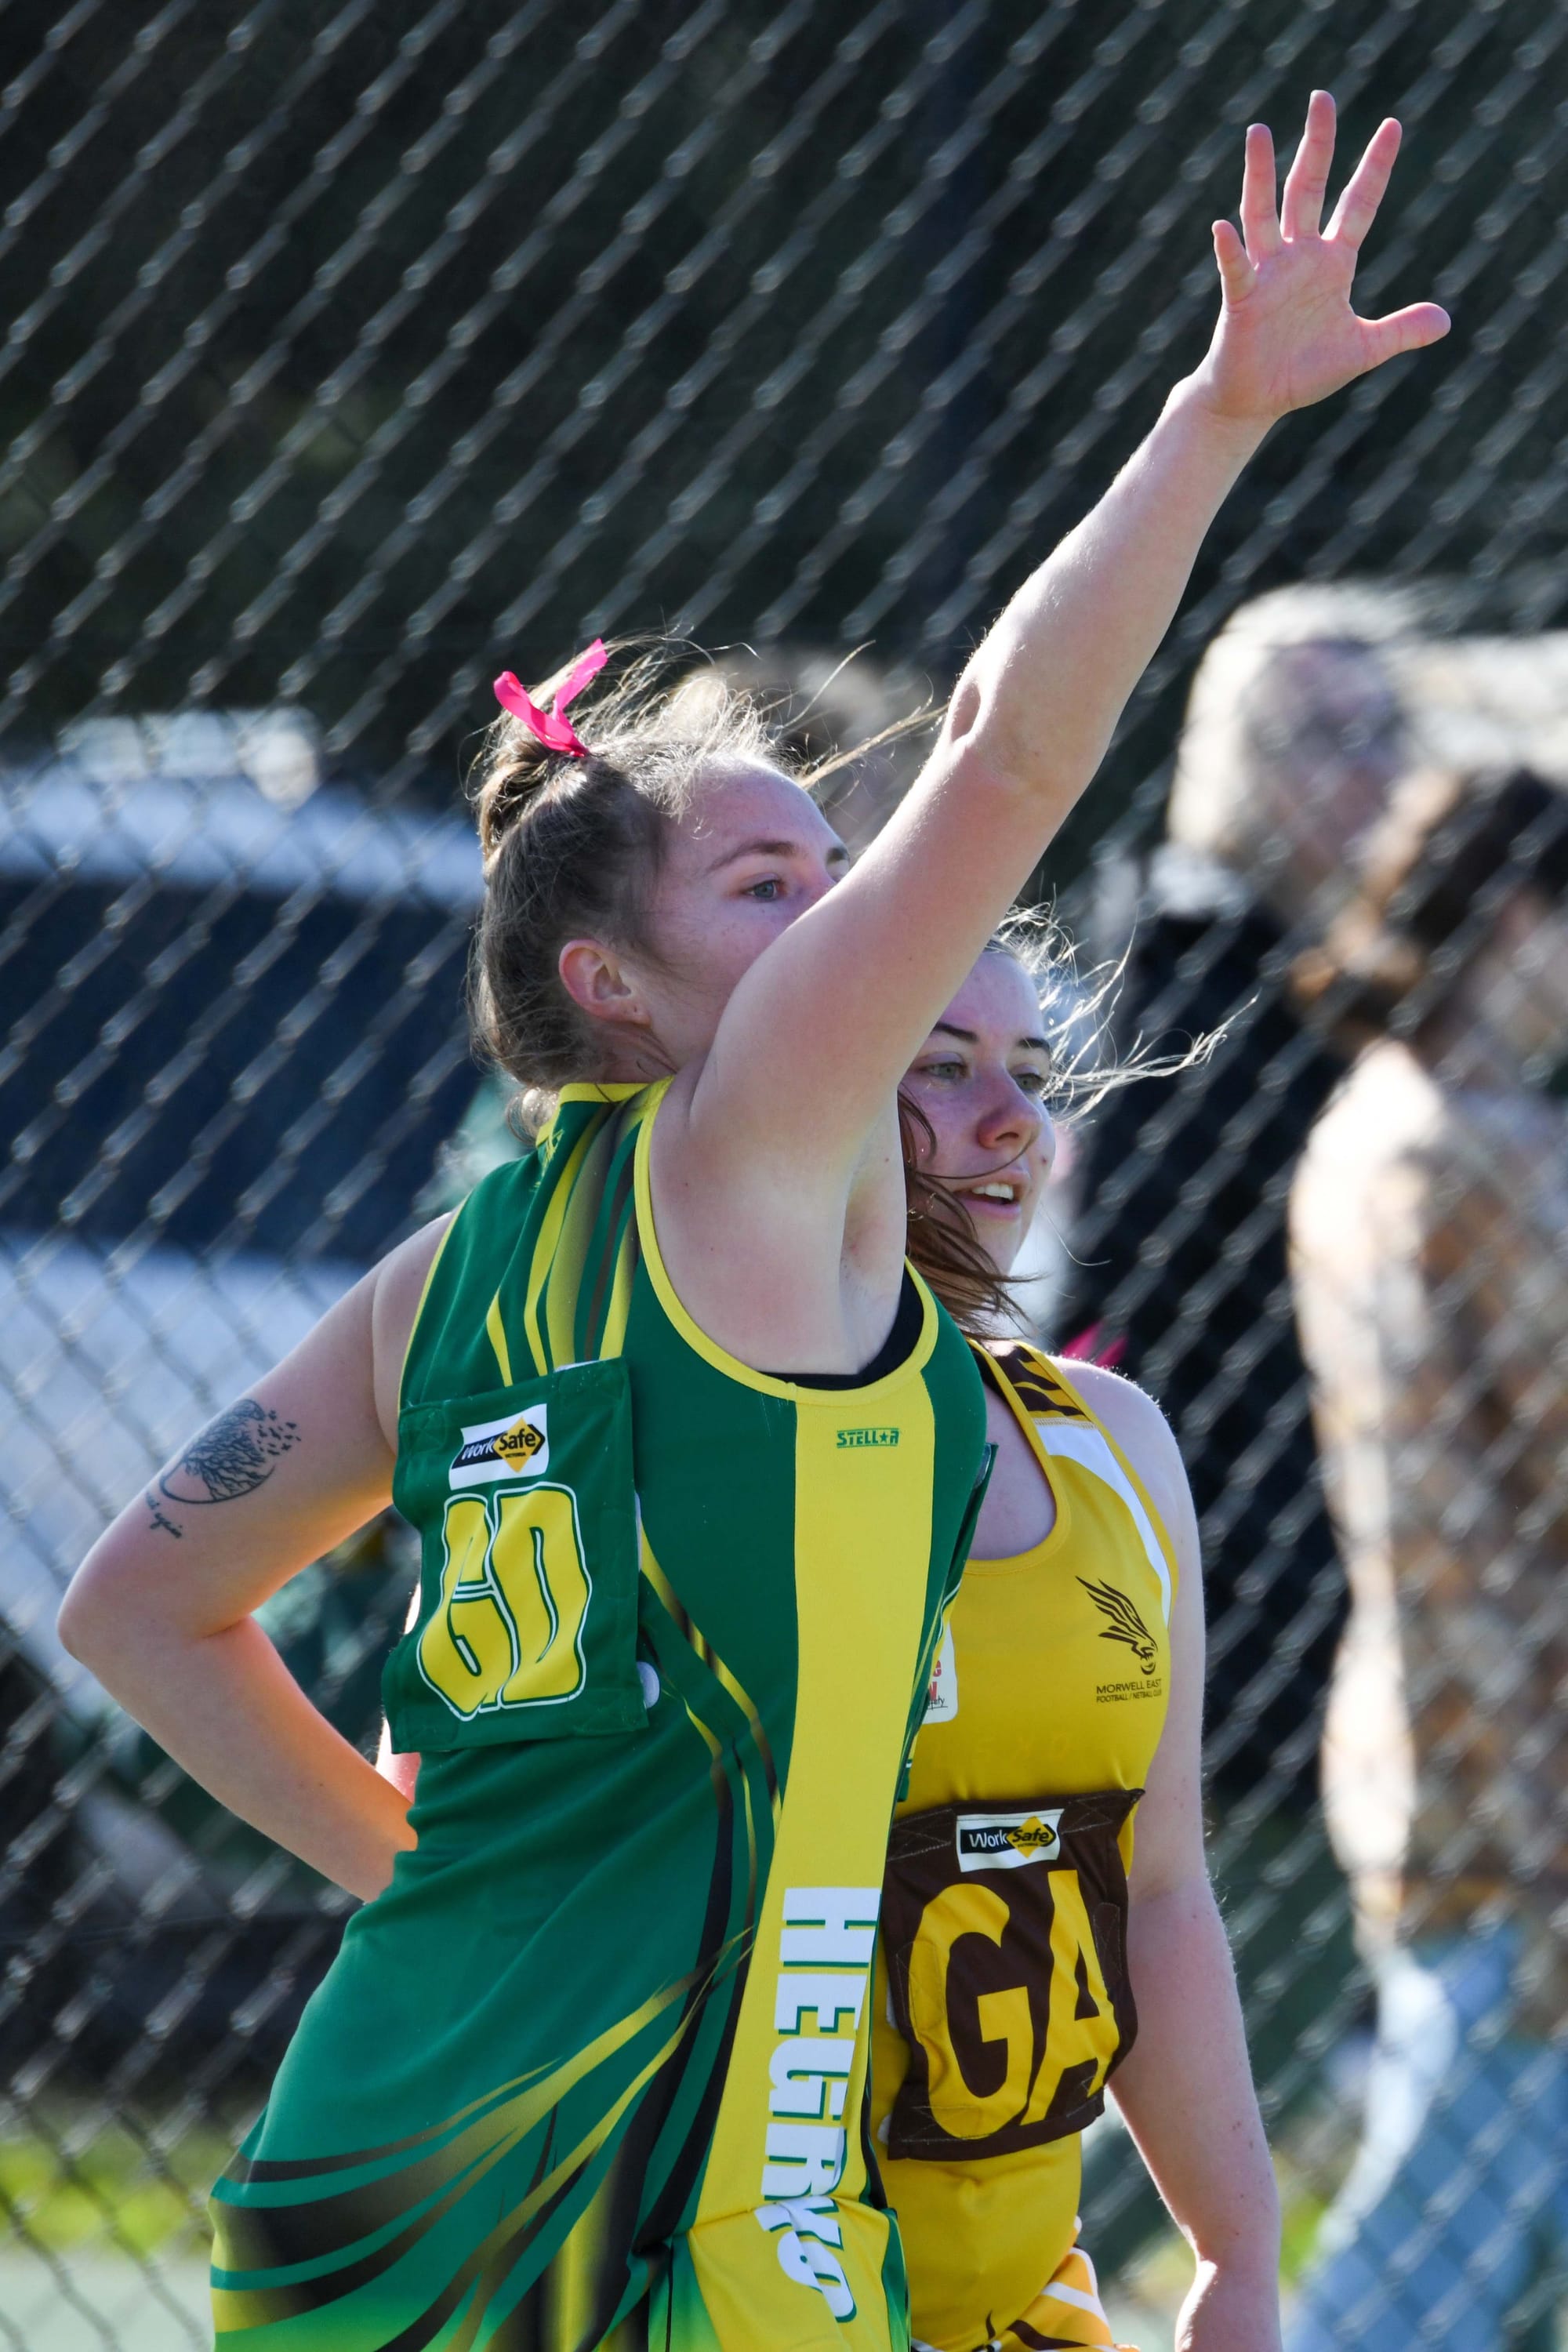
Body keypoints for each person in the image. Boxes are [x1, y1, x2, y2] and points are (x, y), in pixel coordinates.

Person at [56, 93, 1446, 2352]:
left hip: (372, 2183)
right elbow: (1006, 750)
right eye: (774, 880)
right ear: (610, 984)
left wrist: (437, 1886)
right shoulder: (753, 1150)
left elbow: (138, 1605)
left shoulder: (447, 1282)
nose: (845, 911)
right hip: (667, 2216)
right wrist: (1209, 422)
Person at [869, 938, 1280, 2352]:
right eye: (943, 1068)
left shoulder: (1114, 1441)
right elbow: (455, 1843)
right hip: (729, 2298)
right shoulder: (675, 1431)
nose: (1014, 1124)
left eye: (1034, 1077)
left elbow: (1157, 1887)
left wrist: (1237, 2257)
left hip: (1017, 2304)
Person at [1285, 767, 1568, 2351]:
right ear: (1520, 919)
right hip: (1508, 1795)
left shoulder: (1398, 1132)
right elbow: (1464, 1515)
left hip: (1474, 1767)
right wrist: (1539, 1836)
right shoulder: (1450, 1154)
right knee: (1416, 2280)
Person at [1058, 589, 1414, 1800]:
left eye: (1386, 731)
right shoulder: (1182, 957)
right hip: (1223, 1485)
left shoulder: (1384, 959)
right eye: (1327, 736)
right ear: (1239, 764)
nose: (1370, 770)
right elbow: (1143, 1243)